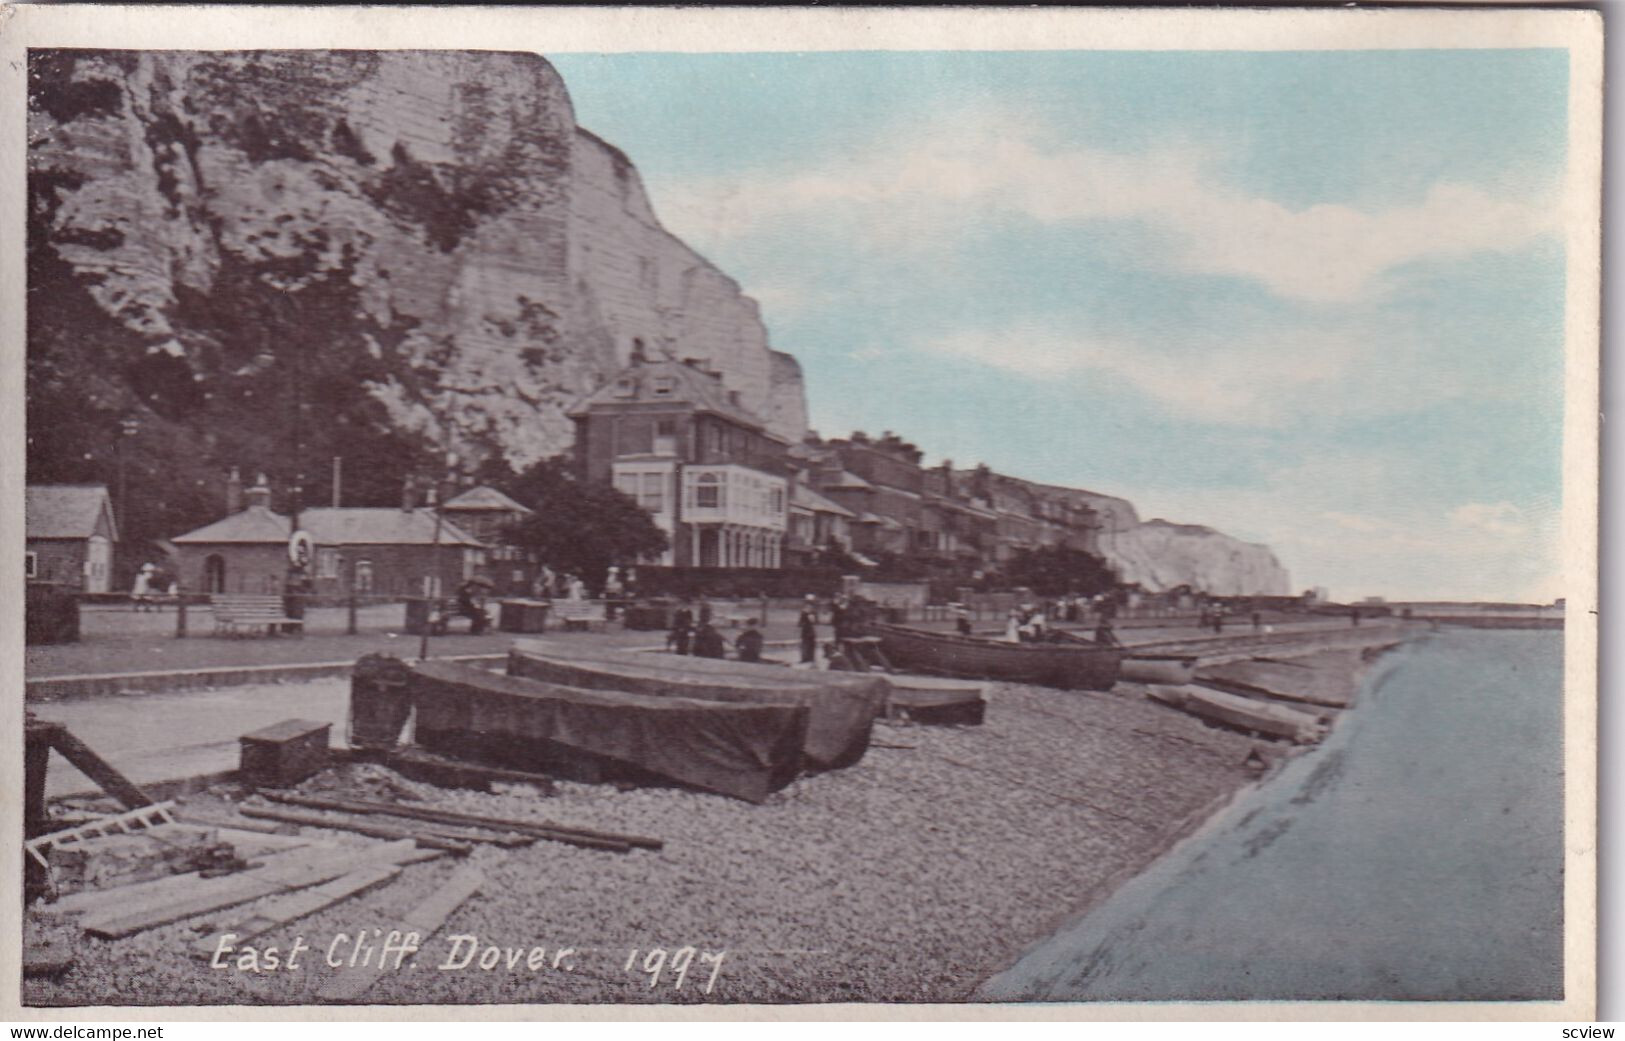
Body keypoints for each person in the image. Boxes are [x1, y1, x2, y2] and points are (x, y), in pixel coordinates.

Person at [797, 595, 819, 664]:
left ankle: (808, 658)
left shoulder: (807, 611)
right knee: (808, 644)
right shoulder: (808, 611)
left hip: (808, 630)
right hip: (809, 630)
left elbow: (815, 621)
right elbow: (800, 622)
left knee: (807, 644)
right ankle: (808, 658)